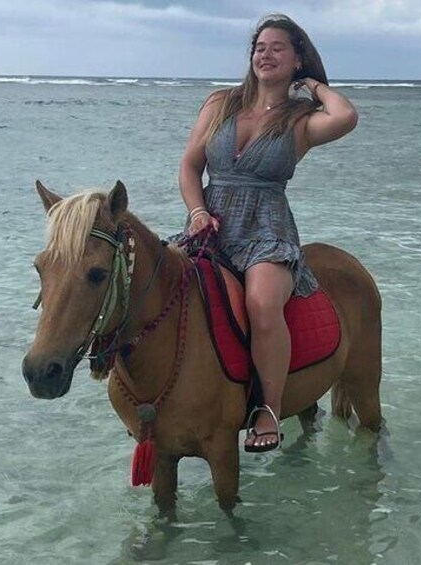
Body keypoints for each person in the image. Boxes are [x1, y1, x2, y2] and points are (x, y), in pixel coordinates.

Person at [177, 14, 358, 452]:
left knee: (261, 303)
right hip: (210, 225)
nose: (266, 53)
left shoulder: (301, 121)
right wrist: (198, 211)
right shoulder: (220, 103)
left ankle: (269, 411)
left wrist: (313, 85)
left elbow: (347, 115)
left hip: (267, 231)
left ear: (297, 60)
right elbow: (189, 167)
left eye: (278, 47)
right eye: (260, 46)